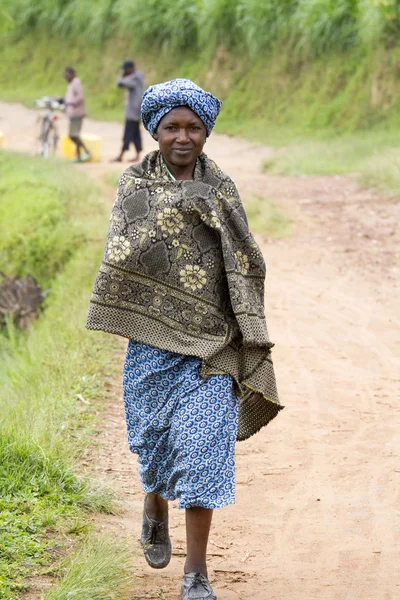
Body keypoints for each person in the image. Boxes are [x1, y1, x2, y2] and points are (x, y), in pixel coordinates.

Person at [86, 79, 282, 600]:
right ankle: (153, 499)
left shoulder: (221, 189)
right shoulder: (135, 186)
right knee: (154, 447)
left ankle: (196, 573)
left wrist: (209, 212)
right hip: (151, 347)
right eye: (171, 126)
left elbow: (247, 258)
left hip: (211, 347)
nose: (182, 136)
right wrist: (176, 212)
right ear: (154, 130)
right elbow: (122, 256)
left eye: (193, 127)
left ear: (206, 132)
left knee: (202, 451)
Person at [111, 59, 145, 163]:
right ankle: (138, 155)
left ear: (130, 69)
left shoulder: (134, 79)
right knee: (135, 134)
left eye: (125, 70)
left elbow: (120, 83)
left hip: (132, 112)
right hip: (137, 110)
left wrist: (122, 74)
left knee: (128, 134)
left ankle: (121, 155)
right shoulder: (139, 77)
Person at [62, 67, 91, 163]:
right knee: (74, 135)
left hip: (77, 113)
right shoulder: (71, 84)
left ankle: (86, 152)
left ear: (72, 74)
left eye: (67, 76)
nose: (66, 78)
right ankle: (79, 155)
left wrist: (69, 102)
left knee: (74, 135)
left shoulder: (76, 83)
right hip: (73, 114)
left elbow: (80, 97)